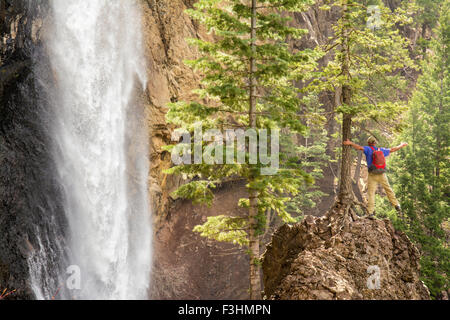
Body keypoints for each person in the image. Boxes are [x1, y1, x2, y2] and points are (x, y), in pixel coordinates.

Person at [343, 136, 408, 217]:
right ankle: (396, 205)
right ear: (375, 143)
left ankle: (370, 213)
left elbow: (359, 147)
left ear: (369, 143)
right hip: (382, 174)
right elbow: (392, 149)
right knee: (388, 189)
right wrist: (401, 145)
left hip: (372, 175)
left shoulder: (368, 149)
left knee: (371, 193)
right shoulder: (381, 150)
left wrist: (350, 143)